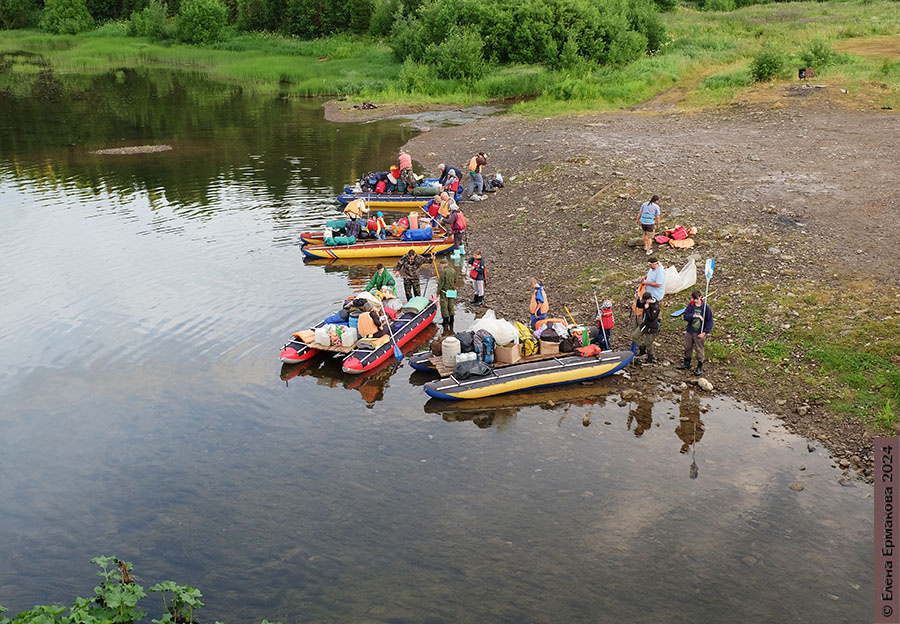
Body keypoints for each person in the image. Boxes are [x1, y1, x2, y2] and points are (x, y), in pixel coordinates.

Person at [677, 289, 714, 376]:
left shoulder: (706, 308)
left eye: (696, 299)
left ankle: (699, 366)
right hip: (690, 330)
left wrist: (705, 332)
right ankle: (687, 363)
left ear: (700, 297)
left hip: (699, 332)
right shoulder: (691, 305)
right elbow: (685, 316)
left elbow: (710, 321)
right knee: (688, 347)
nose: (695, 300)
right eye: (694, 299)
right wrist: (694, 316)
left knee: (699, 349)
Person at [631, 291, 660, 365]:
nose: (644, 303)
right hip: (644, 324)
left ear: (650, 299)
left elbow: (652, 318)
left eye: (645, 301)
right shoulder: (646, 302)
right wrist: (637, 298)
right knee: (635, 336)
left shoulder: (655, 307)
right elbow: (639, 305)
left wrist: (647, 309)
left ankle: (650, 358)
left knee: (648, 343)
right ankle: (642, 349)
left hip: (651, 327)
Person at [437, 257, 458, 329]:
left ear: (443, 264)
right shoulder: (453, 270)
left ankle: (445, 322)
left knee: (444, 306)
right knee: (451, 305)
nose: (440, 266)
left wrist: (438, 292)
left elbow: (441, 283)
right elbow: (455, 280)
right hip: (451, 290)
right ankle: (452, 322)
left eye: (440, 265)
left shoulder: (443, 272)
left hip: (444, 291)